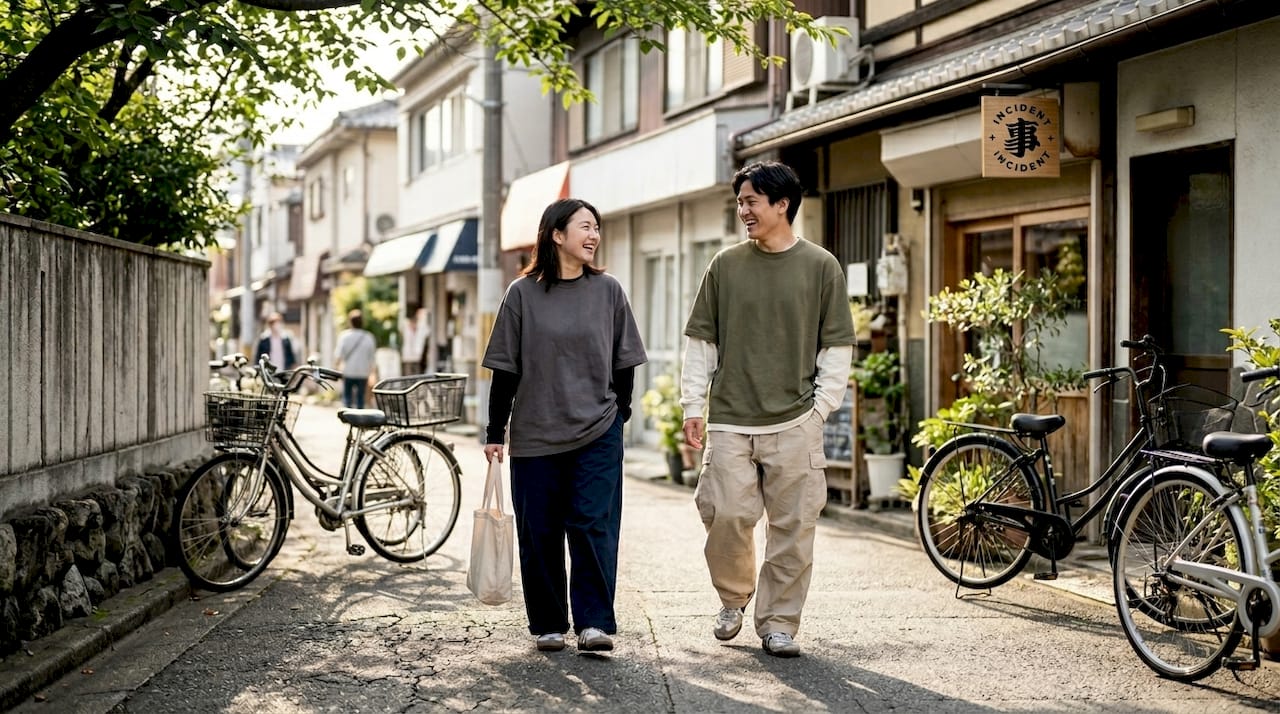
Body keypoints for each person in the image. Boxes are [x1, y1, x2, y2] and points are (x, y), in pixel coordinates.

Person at [680, 160, 855, 658]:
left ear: (782, 205)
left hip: (796, 420)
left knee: (794, 528)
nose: (743, 210)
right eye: (740, 202)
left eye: (751, 201)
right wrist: (694, 405)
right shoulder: (725, 265)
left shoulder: (822, 266)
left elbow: (836, 347)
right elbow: (701, 343)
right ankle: (733, 597)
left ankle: (779, 622)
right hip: (732, 418)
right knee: (725, 513)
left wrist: (820, 410)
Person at [482, 198, 647, 654]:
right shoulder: (522, 294)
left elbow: (625, 361)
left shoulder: (608, 290)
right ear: (556, 235)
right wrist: (496, 431)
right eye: (584, 227)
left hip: (597, 430)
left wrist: (619, 415)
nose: (593, 236)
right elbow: (505, 369)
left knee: (593, 523)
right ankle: (549, 622)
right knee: (541, 529)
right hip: (535, 433)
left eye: (597, 227)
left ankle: (594, 622)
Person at [334, 309, 378, 409]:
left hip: (348, 371)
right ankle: (359, 419)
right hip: (363, 372)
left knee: (347, 397)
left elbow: (338, 356)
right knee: (360, 398)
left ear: (350, 322)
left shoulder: (344, 336)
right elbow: (372, 359)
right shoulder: (369, 337)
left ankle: (347, 417)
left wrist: (336, 369)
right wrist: (373, 374)